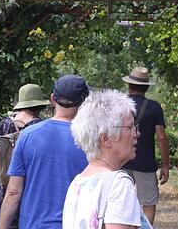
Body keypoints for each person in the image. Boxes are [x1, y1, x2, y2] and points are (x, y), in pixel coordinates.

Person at [0, 74, 91, 229]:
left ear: (53, 99)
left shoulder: (28, 136)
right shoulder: (91, 141)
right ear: (85, 103)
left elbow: (13, 192)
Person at [63, 89, 152, 229]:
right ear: (106, 139)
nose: (137, 133)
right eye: (130, 127)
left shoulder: (77, 183)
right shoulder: (119, 185)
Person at [0, 83, 49, 229]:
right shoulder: (40, 127)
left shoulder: (2, 125)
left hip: (5, 188)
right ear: (39, 105)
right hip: (30, 189)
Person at [121, 66, 170, 225]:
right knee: (148, 203)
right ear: (147, 87)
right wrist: (165, 165)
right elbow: (161, 137)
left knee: (119, 202)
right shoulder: (154, 107)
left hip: (121, 160)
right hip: (146, 163)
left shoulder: (120, 105)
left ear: (129, 85)